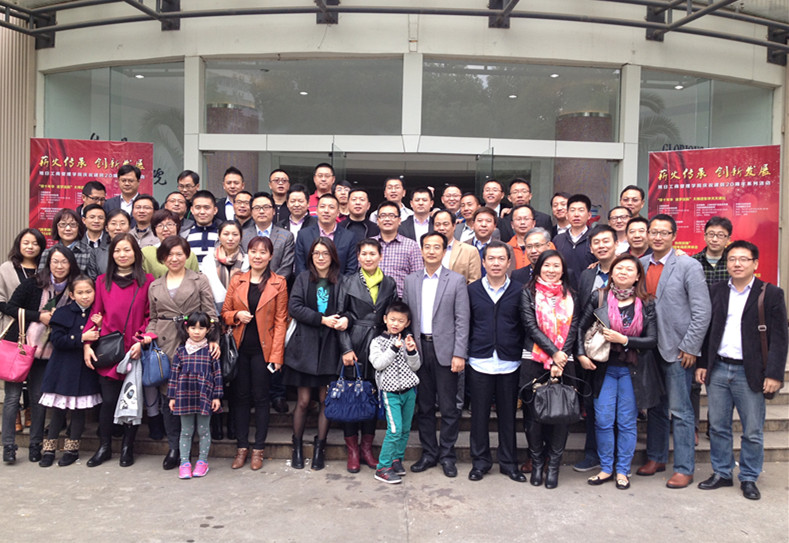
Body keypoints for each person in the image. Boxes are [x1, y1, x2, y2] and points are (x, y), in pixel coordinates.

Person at [696, 241, 787, 501]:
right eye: (732, 259)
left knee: (752, 430)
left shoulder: (771, 293)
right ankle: (722, 472)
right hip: (719, 368)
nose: (737, 264)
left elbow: (780, 338)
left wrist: (774, 374)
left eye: (743, 259)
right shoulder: (716, 290)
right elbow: (708, 331)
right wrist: (703, 363)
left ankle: (748, 477)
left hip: (751, 371)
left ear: (755, 263)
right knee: (718, 426)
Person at [637, 214, 711, 489]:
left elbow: (702, 311)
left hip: (678, 349)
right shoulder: (641, 264)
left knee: (680, 411)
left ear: (674, 236)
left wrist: (691, 346)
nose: (657, 237)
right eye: (653, 232)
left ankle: (684, 468)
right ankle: (656, 458)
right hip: (649, 348)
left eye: (664, 233)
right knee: (655, 407)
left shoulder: (688, 265)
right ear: (647, 235)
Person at [576, 254, 658, 490]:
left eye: (629, 269)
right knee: (602, 420)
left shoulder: (646, 302)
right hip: (604, 369)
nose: (623, 272)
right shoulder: (599, 297)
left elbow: (652, 340)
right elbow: (580, 328)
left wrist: (625, 340)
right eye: (618, 268)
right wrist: (581, 355)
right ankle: (605, 468)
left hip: (632, 371)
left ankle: (622, 470)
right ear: (611, 272)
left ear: (637, 276)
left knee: (626, 422)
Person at [143, 235, 219, 470]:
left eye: (179, 254)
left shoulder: (199, 279)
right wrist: (148, 335)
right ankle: (174, 447)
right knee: (169, 396)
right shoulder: (155, 285)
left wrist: (213, 340)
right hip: (166, 342)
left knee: (195, 393)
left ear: (187, 256)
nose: (174, 258)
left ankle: (197, 450)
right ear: (162, 258)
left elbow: (211, 313)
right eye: (169, 254)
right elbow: (153, 317)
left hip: (194, 341)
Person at [2, 245, 80, 464]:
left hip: (48, 352)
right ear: (48, 263)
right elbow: (9, 307)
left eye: (64, 261)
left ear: (71, 264)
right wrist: (39, 316)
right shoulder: (33, 283)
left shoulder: (74, 288)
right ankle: (8, 445)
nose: (59, 266)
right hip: (21, 347)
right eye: (55, 261)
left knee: (38, 398)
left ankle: (35, 444)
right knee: (12, 398)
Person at [83, 234, 154, 468]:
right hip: (109, 351)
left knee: (131, 401)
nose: (122, 255)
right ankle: (104, 447)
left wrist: (141, 341)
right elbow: (96, 313)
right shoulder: (102, 281)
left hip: (134, 350)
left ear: (136, 253)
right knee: (109, 401)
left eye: (127, 250)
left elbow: (150, 316)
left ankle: (127, 448)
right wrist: (86, 345)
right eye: (117, 250)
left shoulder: (147, 281)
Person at [403, 232, 469, 478]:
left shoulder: (456, 280)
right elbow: (406, 316)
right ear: (421, 251)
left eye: (436, 247)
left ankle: (447, 455)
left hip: (447, 351)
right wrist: (408, 342)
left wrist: (459, 353)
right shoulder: (411, 280)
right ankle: (429, 453)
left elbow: (462, 320)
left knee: (450, 407)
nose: (431, 251)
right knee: (425, 406)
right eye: (427, 247)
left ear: (444, 251)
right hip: (420, 349)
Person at [222, 236, 288, 471]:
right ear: (247, 254)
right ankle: (242, 447)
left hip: (263, 350)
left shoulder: (278, 282)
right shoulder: (238, 279)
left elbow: (281, 321)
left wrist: (277, 356)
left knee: (261, 398)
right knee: (240, 398)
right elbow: (225, 312)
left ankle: (258, 449)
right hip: (239, 348)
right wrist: (236, 316)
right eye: (253, 251)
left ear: (270, 256)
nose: (257, 256)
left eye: (263, 252)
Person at [336, 238, 398, 473]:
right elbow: (340, 315)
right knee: (352, 398)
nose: (368, 258)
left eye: (373, 253)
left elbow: (392, 314)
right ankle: (352, 451)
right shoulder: (347, 281)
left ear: (380, 256)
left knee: (372, 397)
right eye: (364, 254)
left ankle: (366, 449)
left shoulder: (389, 283)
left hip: (379, 345)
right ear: (358, 257)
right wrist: (345, 348)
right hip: (354, 342)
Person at [467, 241, 526, 483]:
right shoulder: (471, 290)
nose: (496, 263)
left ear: (509, 262)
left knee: (508, 416)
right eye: (491, 258)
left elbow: (524, 325)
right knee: (479, 416)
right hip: (479, 361)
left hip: (509, 362)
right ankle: (480, 462)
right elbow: (466, 324)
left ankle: (509, 463)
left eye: (501, 258)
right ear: (483, 262)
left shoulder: (520, 290)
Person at [283, 237, 345, 471]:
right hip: (305, 347)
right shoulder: (302, 278)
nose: (320, 257)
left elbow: (346, 309)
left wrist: (342, 320)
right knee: (303, 401)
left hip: (330, 347)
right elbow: (295, 307)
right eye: (316, 253)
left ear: (333, 257)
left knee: (324, 400)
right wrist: (321, 319)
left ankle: (320, 447)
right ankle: (297, 445)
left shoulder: (341, 280)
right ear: (310, 256)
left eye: (325, 253)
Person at [520, 249, 579, 489]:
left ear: (563, 270)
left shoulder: (571, 295)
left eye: (556, 266)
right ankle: (536, 463)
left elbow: (574, 327)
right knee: (533, 415)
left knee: (561, 414)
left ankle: (553, 466)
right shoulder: (528, 292)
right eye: (547, 265)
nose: (551, 270)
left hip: (565, 360)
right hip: (534, 359)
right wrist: (553, 353)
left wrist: (560, 357)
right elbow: (530, 326)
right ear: (538, 268)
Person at [37, 275, 103, 467]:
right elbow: (57, 340)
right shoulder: (62, 313)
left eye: (89, 291)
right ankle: (49, 449)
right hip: (62, 369)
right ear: (72, 295)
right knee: (58, 411)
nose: (85, 296)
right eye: (80, 292)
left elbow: (103, 341)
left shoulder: (97, 314)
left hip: (84, 370)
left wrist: (99, 327)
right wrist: (81, 337)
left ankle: (72, 449)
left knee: (78, 412)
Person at [573, 225, 618, 473]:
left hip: (620, 351)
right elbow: (581, 314)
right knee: (591, 404)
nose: (601, 246)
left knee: (616, 407)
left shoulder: (628, 269)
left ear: (616, 244)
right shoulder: (587, 275)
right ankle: (593, 454)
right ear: (590, 248)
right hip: (591, 351)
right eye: (596, 242)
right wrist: (580, 350)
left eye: (606, 241)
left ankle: (617, 457)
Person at [369, 302, 421, 484]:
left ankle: (396, 459)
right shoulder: (377, 342)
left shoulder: (407, 340)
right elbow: (378, 364)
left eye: (400, 321)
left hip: (409, 391)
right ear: (385, 319)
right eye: (392, 319)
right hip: (390, 393)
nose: (396, 324)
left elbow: (416, 366)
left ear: (407, 323)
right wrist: (394, 349)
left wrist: (411, 351)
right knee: (394, 430)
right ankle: (382, 467)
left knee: (405, 429)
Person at [167, 311, 223, 479]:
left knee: (203, 430)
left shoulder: (211, 351)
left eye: (201, 328)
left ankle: (202, 462)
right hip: (184, 396)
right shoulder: (180, 351)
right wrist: (172, 397)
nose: (197, 332)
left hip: (204, 396)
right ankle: (184, 463)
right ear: (187, 329)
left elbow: (217, 375)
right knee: (186, 431)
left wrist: (216, 396)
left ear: (208, 329)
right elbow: (174, 374)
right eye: (193, 328)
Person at [294, 193, 358, 276]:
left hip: (341, 283)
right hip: (309, 283)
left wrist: (340, 284)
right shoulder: (303, 235)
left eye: (331, 207)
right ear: (317, 211)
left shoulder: (349, 237)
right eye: (322, 206)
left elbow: (351, 269)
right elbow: (300, 267)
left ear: (338, 213)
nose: (326, 211)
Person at [241, 192, 296, 281]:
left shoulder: (286, 236)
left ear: (273, 211)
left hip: (276, 285)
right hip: (248, 284)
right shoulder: (243, 236)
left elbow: (286, 268)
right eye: (257, 208)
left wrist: (270, 285)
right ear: (251, 212)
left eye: (266, 207)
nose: (261, 211)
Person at [373, 200, 423, 297]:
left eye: (392, 216)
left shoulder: (411, 246)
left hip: (400, 300)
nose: (387, 219)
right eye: (383, 216)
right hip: (372, 300)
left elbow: (417, 279)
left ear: (399, 221)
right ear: (377, 221)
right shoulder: (369, 245)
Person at [200, 221, 248, 314]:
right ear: (219, 236)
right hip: (214, 310)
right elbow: (205, 291)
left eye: (235, 234)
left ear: (241, 237)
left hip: (241, 311)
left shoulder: (247, 260)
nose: (230, 238)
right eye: (226, 234)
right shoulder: (208, 260)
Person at [38, 208, 98, 279]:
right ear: (56, 228)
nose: (68, 228)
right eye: (63, 224)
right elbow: (41, 279)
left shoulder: (89, 252)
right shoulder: (48, 253)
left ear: (79, 227)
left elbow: (92, 280)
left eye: (73, 224)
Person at [552, 194, 596, 285]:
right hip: (563, 289)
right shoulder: (558, 239)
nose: (576, 214)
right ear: (567, 215)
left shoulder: (595, 239)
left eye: (581, 210)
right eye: (572, 210)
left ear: (589, 215)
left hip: (589, 289)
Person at [142, 209, 200, 278]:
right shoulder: (146, 253)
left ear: (177, 227)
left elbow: (196, 279)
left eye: (169, 224)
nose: (165, 229)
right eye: (160, 225)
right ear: (154, 229)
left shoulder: (188, 254)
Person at [432, 210, 480, 284]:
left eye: (445, 224)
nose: (441, 228)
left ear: (454, 226)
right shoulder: (426, 251)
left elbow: (474, 281)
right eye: (437, 225)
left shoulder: (469, 251)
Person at [692, 216, 732, 285]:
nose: (714, 239)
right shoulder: (693, 261)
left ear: (728, 239)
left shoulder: (733, 261)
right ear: (705, 236)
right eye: (711, 234)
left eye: (720, 235)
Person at [184, 190, 221, 264]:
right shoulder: (184, 235)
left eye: (206, 208)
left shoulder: (223, 234)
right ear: (192, 210)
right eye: (198, 208)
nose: (202, 212)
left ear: (215, 210)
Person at [94, 209, 132, 275]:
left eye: (122, 223)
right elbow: (93, 278)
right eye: (113, 224)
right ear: (106, 228)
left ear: (129, 227)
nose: (118, 228)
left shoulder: (136, 250)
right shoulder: (96, 253)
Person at [506, 204, 537, 270]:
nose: (522, 222)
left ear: (533, 223)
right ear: (512, 224)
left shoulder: (545, 245)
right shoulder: (506, 248)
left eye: (526, 219)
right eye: (518, 219)